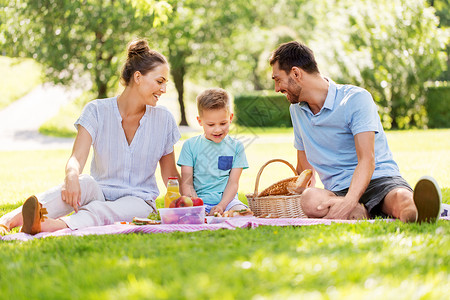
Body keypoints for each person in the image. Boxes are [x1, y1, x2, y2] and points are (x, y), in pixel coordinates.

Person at [0, 39, 181, 235]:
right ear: (138, 77)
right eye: (159, 82)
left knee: (101, 210)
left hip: (138, 201)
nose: (163, 90)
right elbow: (77, 157)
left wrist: (192, 199)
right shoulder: (96, 110)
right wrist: (71, 176)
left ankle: (50, 225)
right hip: (100, 191)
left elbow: (170, 175)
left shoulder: (164, 120)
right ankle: (9, 221)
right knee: (84, 182)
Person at [269, 41, 441, 222]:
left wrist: (350, 201)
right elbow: (305, 170)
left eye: (278, 79)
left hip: (379, 181)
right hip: (338, 191)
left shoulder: (355, 99)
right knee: (310, 199)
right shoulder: (296, 110)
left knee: (402, 200)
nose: (277, 89)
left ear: (296, 73)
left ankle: (416, 213)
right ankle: (366, 213)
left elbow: (367, 159)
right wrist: (297, 195)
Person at [177, 88, 249, 216]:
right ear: (200, 121)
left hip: (228, 202)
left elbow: (233, 183)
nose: (217, 130)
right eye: (211, 124)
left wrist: (221, 205)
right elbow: (187, 183)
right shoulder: (190, 146)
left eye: (223, 123)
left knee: (243, 213)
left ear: (230, 118)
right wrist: (197, 204)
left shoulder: (237, 146)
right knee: (189, 216)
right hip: (198, 202)